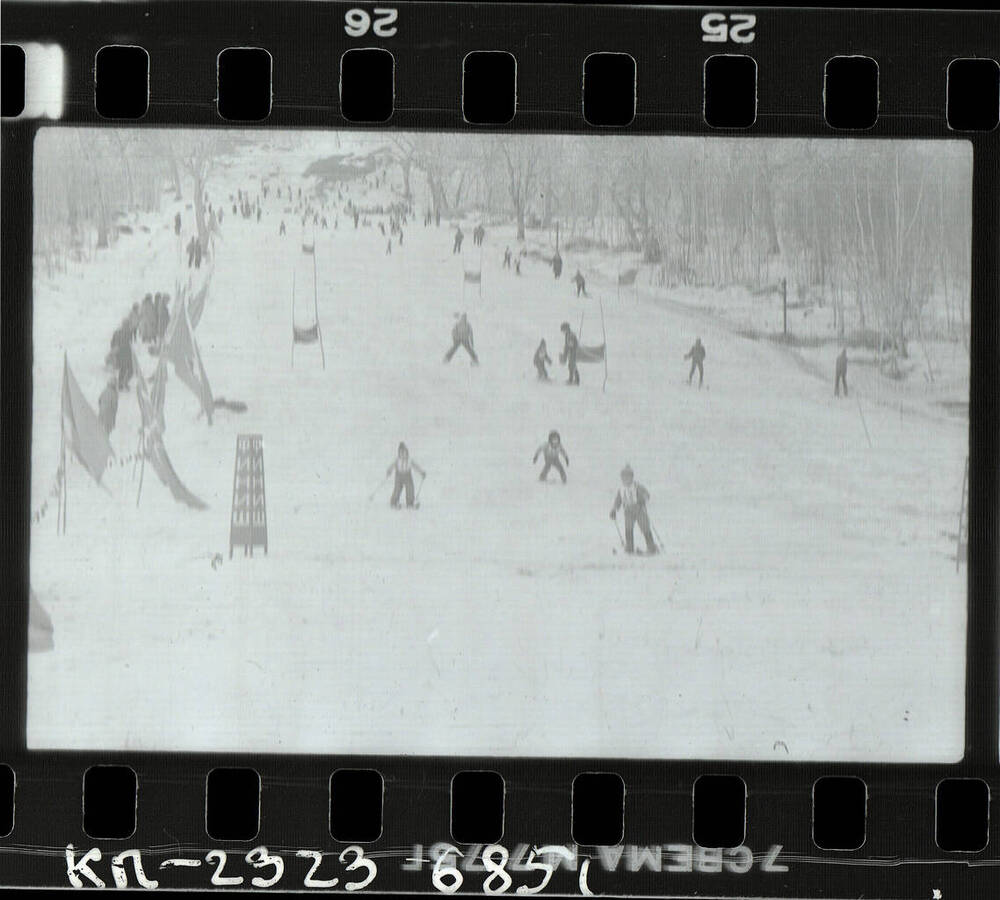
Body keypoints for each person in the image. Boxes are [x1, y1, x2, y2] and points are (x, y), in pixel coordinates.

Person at [610, 464, 658, 555]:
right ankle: (629, 547)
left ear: (632, 477)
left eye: (627, 477)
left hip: (639, 510)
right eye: (623, 477)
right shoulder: (621, 489)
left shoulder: (637, 486)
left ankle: (651, 546)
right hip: (628, 511)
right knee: (628, 528)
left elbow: (647, 495)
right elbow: (618, 500)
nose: (625, 480)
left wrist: (642, 499)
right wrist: (614, 509)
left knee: (645, 527)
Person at [387, 442, 426, 508]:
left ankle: (410, 503)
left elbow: (416, 466)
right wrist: (389, 471)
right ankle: (394, 502)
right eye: (401, 453)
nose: (403, 455)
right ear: (399, 454)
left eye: (404, 453)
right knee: (397, 489)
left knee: (410, 488)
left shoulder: (410, 460)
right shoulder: (397, 460)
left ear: (407, 453)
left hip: (407, 476)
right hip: (398, 476)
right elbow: (392, 466)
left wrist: (421, 472)